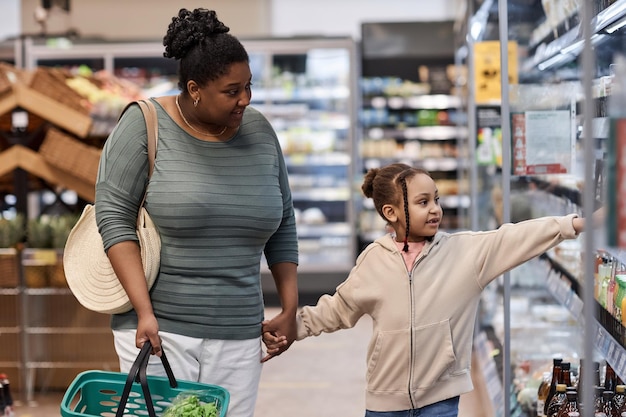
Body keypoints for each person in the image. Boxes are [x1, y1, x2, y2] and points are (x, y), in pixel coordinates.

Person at [263, 162, 599, 417]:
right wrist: (294, 326)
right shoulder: (373, 262)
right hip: (384, 399)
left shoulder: (463, 253)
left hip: (440, 398)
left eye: (436, 199)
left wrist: (574, 224)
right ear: (390, 213)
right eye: (423, 202)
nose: (435, 208)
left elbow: (512, 237)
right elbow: (338, 310)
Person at [95, 8, 298, 417]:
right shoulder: (144, 124)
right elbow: (113, 217)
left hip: (241, 334)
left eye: (249, 87)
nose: (245, 99)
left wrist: (290, 309)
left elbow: (284, 223)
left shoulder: (260, 132)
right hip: (161, 333)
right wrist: (144, 311)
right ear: (195, 89)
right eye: (231, 90)